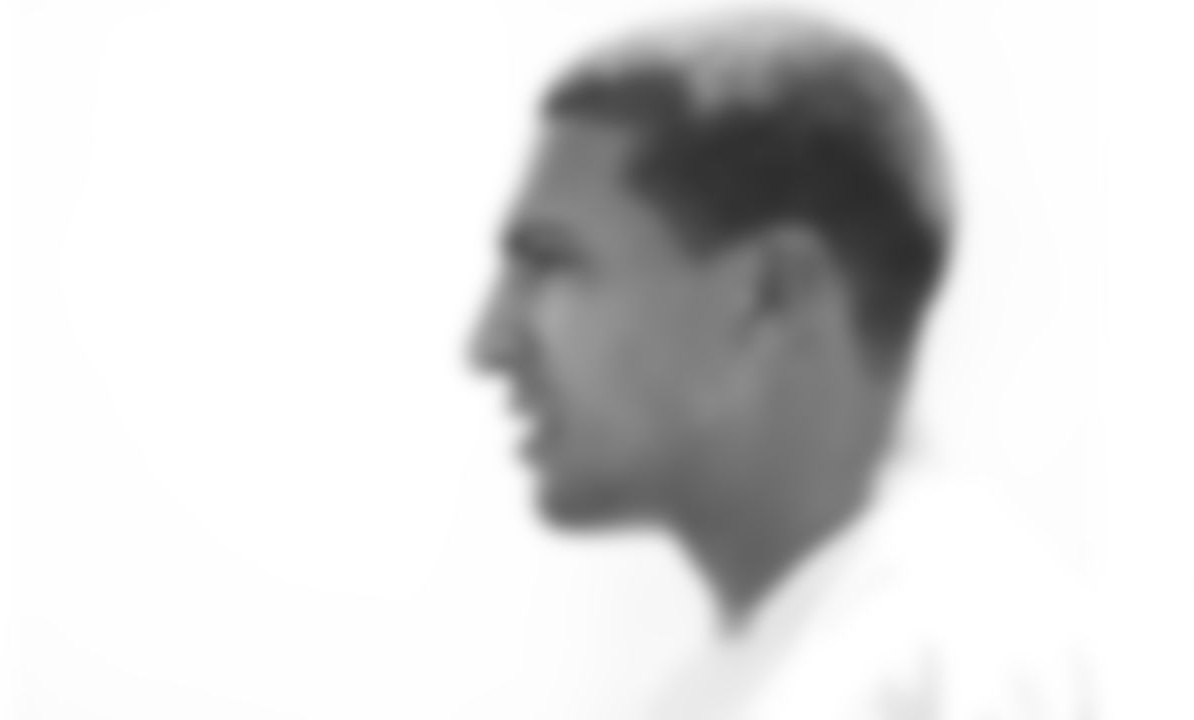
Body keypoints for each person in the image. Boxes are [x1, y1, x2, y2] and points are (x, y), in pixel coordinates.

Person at [468, 7, 1094, 719]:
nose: (486, 342)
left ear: (771, 293)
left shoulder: (955, 662)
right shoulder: (761, 678)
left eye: (548, 262)